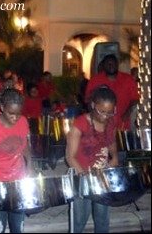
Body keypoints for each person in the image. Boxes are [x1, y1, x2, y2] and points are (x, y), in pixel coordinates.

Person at [66, 85, 118, 233]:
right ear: (93, 105)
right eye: (102, 111)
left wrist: (114, 158)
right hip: (81, 175)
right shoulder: (80, 123)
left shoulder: (110, 122)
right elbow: (70, 157)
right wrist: (86, 178)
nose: (105, 116)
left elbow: (111, 142)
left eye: (110, 112)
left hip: (101, 177)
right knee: (79, 220)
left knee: (102, 218)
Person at [0, 88, 33, 233]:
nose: (15, 118)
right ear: (2, 108)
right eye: (11, 113)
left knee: (18, 227)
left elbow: (25, 147)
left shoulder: (23, 122)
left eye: (18, 113)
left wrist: (30, 165)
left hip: (18, 181)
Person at [85, 54, 139, 130]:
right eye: (108, 64)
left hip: (122, 123)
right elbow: (88, 100)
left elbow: (135, 99)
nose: (111, 66)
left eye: (113, 63)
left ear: (117, 64)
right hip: (102, 124)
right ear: (104, 65)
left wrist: (128, 112)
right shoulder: (95, 80)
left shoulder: (128, 79)